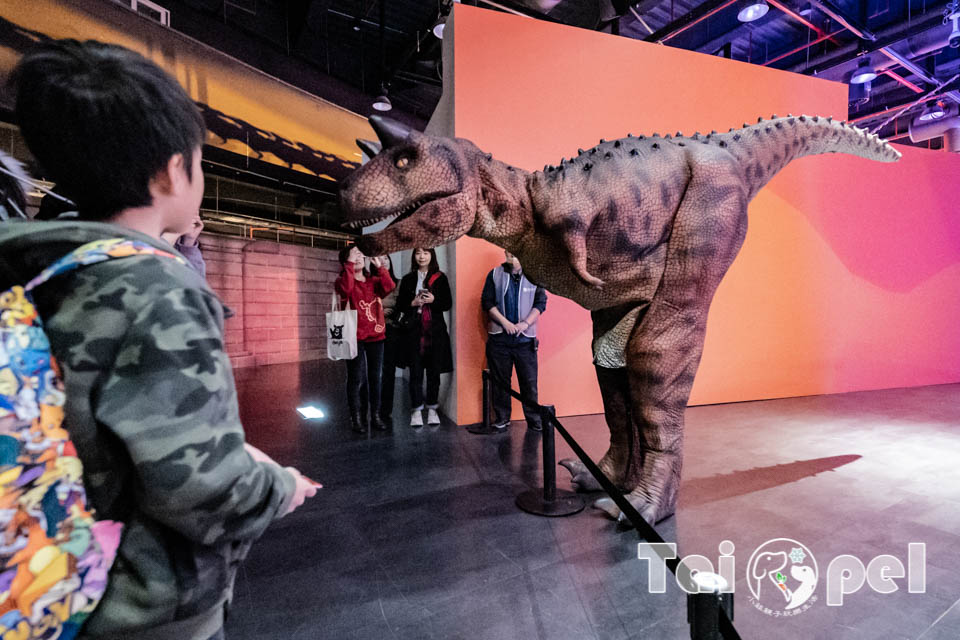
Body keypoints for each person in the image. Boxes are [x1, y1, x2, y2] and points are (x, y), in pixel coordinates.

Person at [1, 39, 317, 640]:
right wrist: (279, 487)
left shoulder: (41, 267)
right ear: (174, 168)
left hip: (57, 576)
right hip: (145, 602)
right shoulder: (154, 287)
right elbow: (201, 487)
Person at [481, 250, 548, 431]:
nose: (512, 259)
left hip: (525, 341)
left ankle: (534, 420)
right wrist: (505, 323)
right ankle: (502, 418)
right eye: (509, 255)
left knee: (529, 383)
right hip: (499, 339)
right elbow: (487, 302)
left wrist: (525, 324)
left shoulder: (535, 275)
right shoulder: (495, 274)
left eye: (516, 255)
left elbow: (540, 303)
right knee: (500, 382)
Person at [334, 245, 395, 432]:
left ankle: (375, 416)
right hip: (353, 336)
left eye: (361, 254)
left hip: (376, 335)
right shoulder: (342, 280)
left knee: (375, 377)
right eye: (354, 254)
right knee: (356, 378)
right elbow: (346, 289)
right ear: (346, 261)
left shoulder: (373, 281)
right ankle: (356, 417)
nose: (359, 257)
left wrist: (381, 267)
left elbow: (389, 286)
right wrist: (350, 266)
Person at [395, 247, 453, 427]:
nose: (422, 257)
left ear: (432, 256)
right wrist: (413, 302)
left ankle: (433, 409)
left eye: (426, 253)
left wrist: (433, 300)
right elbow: (400, 306)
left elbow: (447, 303)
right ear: (414, 256)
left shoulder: (440, 277)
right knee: (415, 373)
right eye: (418, 253)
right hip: (413, 332)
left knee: (434, 372)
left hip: (435, 333)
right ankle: (416, 411)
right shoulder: (408, 279)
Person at [378, 255, 401, 425]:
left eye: (385, 257)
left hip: (391, 329)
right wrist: (379, 310)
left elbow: (400, 306)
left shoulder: (398, 283)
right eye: (379, 257)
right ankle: (371, 408)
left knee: (388, 371)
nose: (383, 260)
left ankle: (385, 410)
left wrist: (388, 311)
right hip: (372, 331)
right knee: (372, 372)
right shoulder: (371, 280)